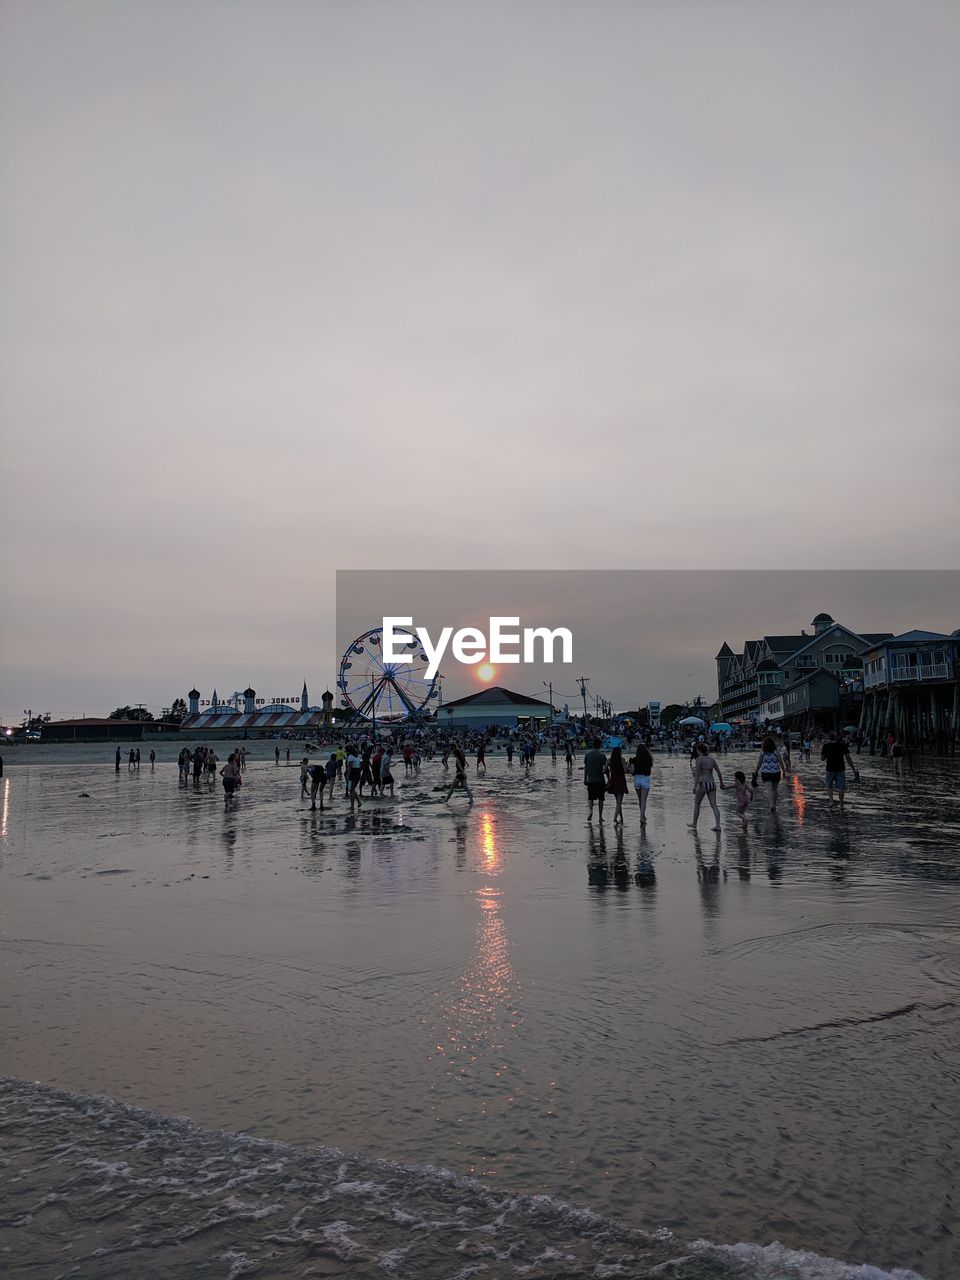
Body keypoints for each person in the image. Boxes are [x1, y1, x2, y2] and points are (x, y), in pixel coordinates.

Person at [690, 742, 724, 830]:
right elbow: (719, 772)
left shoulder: (699, 760)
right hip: (712, 783)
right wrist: (721, 783)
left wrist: (694, 786)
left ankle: (694, 823)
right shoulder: (711, 759)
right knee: (714, 805)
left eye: (697, 750)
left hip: (703, 783)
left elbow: (697, 774)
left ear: (699, 750)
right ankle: (718, 825)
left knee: (697, 804)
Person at [822, 731, 859, 808]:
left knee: (829, 785)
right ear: (836, 737)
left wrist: (828, 755)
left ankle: (831, 801)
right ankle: (841, 804)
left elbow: (822, 758)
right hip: (840, 769)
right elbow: (848, 759)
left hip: (830, 769)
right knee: (841, 787)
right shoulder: (842, 745)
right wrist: (853, 770)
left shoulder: (826, 746)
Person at [753, 736, 784, 814]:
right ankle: (774, 805)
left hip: (766, 773)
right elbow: (780, 761)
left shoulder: (763, 751)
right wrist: (784, 771)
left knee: (769, 789)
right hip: (776, 773)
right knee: (775, 789)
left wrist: (756, 771)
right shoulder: (776, 751)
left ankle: (771, 805)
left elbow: (759, 763)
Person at [582, 739, 608, 822]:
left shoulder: (587, 755)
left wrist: (585, 779)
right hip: (600, 779)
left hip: (591, 780)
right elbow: (606, 769)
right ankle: (600, 817)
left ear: (592, 745)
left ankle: (591, 811)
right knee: (601, 799)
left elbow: (586, 768)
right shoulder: (602, 755)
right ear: (599, 745)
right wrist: (609, 779)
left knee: (590, 797)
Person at [631, 741, 653, 825]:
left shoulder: (634, 759)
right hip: (645, 779)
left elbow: (632, 771)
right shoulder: (649, 759)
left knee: (640, 799)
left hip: (637, 779)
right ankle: (642, 816)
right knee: (644, 800)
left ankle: (642, 815)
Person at [606, 745, 629, 824]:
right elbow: (625, 771)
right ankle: (615, 818)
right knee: (619, 802)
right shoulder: (622, 760)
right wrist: (627, 765)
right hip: (621, 781)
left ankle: (621, 818)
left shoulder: (609, 761)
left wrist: (608, 778)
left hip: (613, 781)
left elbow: (604, 770)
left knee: (618, 802)